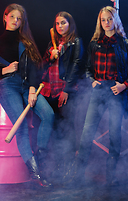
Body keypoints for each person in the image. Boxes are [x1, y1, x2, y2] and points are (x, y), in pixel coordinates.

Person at [0, 3, 54, 188]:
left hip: (27, 86)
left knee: (48, 115)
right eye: (12, 17)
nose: (15, 21)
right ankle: (36, 172)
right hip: (7, 86)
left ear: (22, 22)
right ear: (5, 17)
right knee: (21, 126)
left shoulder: (26, 42)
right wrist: (4, 70)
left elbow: (34, 70)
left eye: (19, 18)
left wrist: (31, 89)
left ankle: (40, 158)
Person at [72, 6, 128, 186]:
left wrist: (124, 85)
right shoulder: (94, 44)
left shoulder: (125, 43)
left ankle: (111, 176)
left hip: (117, 91)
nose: (107, 23)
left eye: (110, 19)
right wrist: (92, 81)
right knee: (87, 133)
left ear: (115, 20)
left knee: (115, 134)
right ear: (99, 22)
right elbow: (88, 69)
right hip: (99, 91)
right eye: (103, 20)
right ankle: (78, 175)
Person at [40, 11, 84, 182]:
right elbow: (42, 66)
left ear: (70, 24)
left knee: (69, 129)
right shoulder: (52, 44)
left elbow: (76, 65)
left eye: (63, 23)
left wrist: (67, 89)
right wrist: (51, 57)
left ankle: (71, 168)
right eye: (57, 23)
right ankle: (59, 166)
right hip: (50, 90)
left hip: (66, 90)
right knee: (57, 129)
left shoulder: (76, 42)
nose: (60, 26)